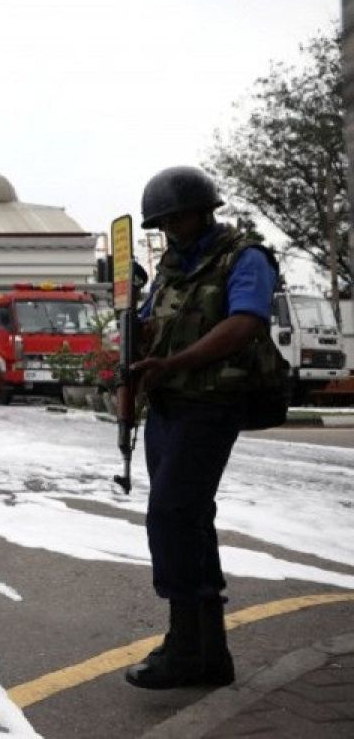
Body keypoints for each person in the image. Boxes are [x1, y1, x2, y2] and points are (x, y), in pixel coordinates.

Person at [123, 166, 281, 690]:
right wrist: (136, 347)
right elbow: (152, 324)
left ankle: (187, 647)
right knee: (187, 519)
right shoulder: (169, 269)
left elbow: (245, 322)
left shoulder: (245, 258)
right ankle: (207, 653)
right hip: (168, 407)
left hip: (212, 404)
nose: (170, 230)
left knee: (170, 515)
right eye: (162, 223)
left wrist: (174, 363)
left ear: (203, 210)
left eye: (176, 219)